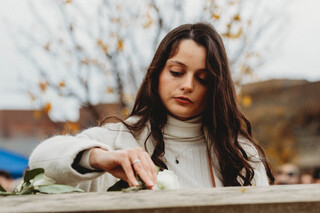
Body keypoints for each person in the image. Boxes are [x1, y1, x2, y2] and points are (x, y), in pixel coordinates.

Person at [29, 23, 274, 191]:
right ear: (157, 74)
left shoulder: (240, 155)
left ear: (216, 88)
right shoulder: (119, 140)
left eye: (203, 79)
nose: (187, 85)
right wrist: (98, 158)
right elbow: (40, 161)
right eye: (177, 72)